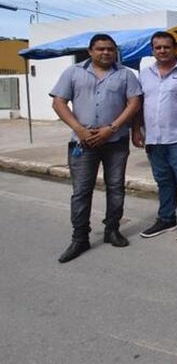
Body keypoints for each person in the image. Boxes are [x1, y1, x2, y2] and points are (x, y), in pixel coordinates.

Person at [50, 34, 142, 263]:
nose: (105, 53)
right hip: (83, 142)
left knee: (116, 187)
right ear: (90, 51)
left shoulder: (126, 74)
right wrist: (79, 129)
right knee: (81, 191)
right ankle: (80, 237)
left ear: (115, 52)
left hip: (115, 141)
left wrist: (112, 128)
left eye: (110, 49)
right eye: (100, 49)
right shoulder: (73, 73)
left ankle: (112, 229)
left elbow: (134, 103)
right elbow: (58, 102)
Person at [133, 31, 177, 242]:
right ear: (152, 50)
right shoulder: (145, 74)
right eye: (158, 47)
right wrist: (136, 130)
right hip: (154, 138)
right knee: (163, 180)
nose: (162, 51)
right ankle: (166, 218)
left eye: (166, 47)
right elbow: (138, 104)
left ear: (175, 49)